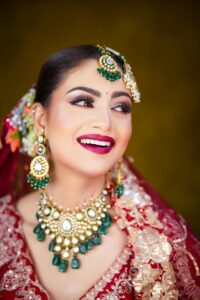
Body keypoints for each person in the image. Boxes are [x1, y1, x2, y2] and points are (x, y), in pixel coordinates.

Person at [0, 44, 199, 300]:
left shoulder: (157, 247)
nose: (106, 122)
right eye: (83, 101)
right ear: (40, 119)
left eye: (121, 107)